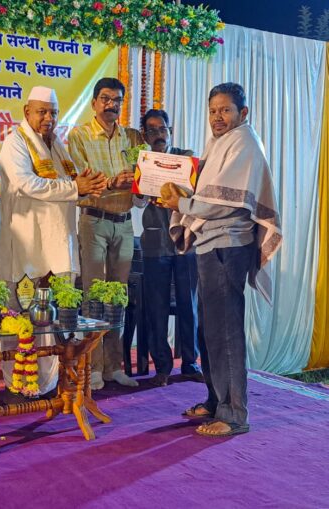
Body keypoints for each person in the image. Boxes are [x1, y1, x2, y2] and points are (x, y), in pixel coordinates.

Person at [163, 82, 282, 437]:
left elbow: (224, 202)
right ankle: (216, 401)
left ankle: (234, 415)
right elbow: (208, 192)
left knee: (226, 331)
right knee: (209, 329)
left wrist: (181, 204)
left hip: (227, 247)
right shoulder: (220, 142)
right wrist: (178, 193)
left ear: (243, 113)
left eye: (225, 110)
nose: (217, 117)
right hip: (210, 245)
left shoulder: (244, 143)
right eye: (213, 111)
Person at [0, 86, 106, 400]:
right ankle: (18, 381)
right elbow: (26, 183)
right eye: (42, 111)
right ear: (26, 112)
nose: (48, 118)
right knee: (23, 314)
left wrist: (87, 185)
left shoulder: (57, 145)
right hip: (28, 245)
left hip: (58, 244)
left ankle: (48, 382)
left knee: (53, 316)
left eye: (53, 113)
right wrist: (74, 187)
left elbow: (68, 185)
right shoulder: (15, 142)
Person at [68, 77, 144, 390]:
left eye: (117, 100)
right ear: (94, 103)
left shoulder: (133, 137)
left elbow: (144, 176)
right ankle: (93, 367)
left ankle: (114, 366)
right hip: (94, 221)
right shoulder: (79, 135)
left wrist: (144, 185)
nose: (111, 105)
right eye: (105, 99)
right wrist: (112, 183)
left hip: (124, 222)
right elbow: (80, 182)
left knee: (117, 297)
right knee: (94, 296)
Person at [139, 109, 203, 387]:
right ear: (144, 135)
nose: (158, 135)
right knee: (157, 307)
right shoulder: (143, 164)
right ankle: (162, 367)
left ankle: (190, 363)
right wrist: (145, 184)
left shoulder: (185, 158)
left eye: (162, 129)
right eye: (152, 130)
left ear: (170, 131)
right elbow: (138, 201)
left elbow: (193, 190)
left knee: (189, 304)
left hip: (185, 242)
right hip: (155, 245)